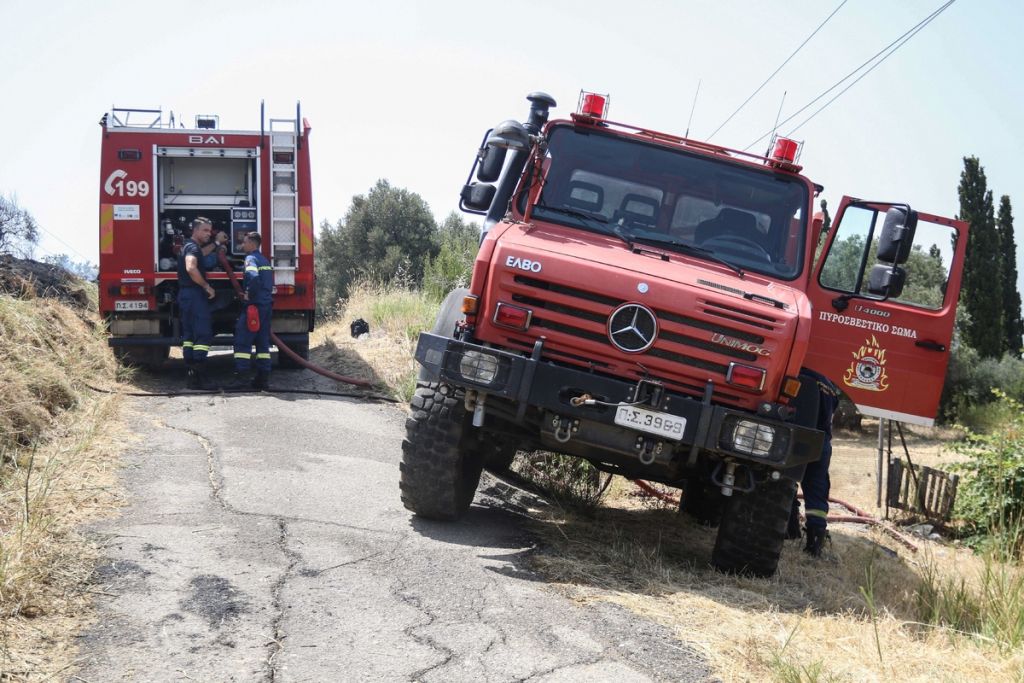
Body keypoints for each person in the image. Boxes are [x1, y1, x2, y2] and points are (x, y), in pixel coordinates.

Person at [788, 368, 841, 556]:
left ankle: (789, 528)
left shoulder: (799, 372)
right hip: (822, 442)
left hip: (798, 435)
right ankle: (815, 543)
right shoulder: (831, 385)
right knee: (817, 490)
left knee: (784, 480)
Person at [229, 232, 274, 390]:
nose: (242, 245)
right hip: (266, 306)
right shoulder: (264, 260)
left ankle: (242, 380)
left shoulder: (250, 259)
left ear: (253, 244)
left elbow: (253, 277)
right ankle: (263, 380)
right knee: (263, 343)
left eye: (245, 242)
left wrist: (249, 293)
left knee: (242, 341)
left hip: (254, 306)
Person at [177, 217, 217, 389]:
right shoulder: (192, 247)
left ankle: (192, 376)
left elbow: (201, 253)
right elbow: (191, 267)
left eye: (210, 231)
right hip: (195, 295)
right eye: (205, 230)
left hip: (186, 294)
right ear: (195, 230)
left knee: (189, 336)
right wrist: (206, 286)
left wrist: (216, 243)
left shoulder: (188, 246)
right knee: (202, 334)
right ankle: (199, 376)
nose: (209, 233)